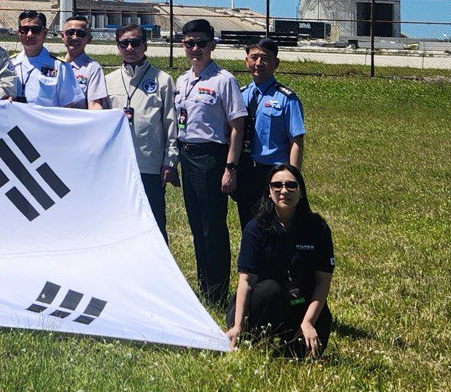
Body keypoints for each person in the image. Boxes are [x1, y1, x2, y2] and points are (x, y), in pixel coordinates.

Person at [227, 164, 334, 358]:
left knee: (314, 339)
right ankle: (253, 338)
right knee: (270, 290)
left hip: (299, 301)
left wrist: (308, 322)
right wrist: (237, 326)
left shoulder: (318, 228)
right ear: (269, 192)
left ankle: (290, 342)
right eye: (277, 185)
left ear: (301, 191)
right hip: (261, 302)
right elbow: (246, 281)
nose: (284, 190)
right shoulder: (255, 229)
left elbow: (322, 282)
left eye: (291, 185)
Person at [175, 18, 247, 304]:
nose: (195, 49)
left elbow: (237, 126)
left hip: (211, 157)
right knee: (196, 226)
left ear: (212, 46)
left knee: (213, 227)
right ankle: (204, 287)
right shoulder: (183, 80)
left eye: (201, 44)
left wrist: (230, 167)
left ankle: (217, 291)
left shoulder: (223, 80)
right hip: (187, 154)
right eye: (189, 43)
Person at [94, 25, 179, 241]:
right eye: (124, 43)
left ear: (145, 45)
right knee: (120, 221)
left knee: (155, 222)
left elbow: (171, 123)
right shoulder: (108, 80)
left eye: (136, 43)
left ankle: (159, 272)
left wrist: (170, 160)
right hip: (119, 166)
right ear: (118, 47)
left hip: (150, 165)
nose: (130, 48)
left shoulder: (163, 80)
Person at [235, 38, 307, 230]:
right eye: (254, 57)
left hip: (273, 172)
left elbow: (296, 140)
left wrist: (292, 177)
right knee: (248, 225)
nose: (259, 63)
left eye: (265, 58)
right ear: (246, 61)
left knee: (276, 225)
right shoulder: (240, 95)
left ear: (276, 63)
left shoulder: (286, 98)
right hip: (245, 170)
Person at [8, 10, 79, 107]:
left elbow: (67, 107)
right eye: (24, 30)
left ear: (45, 32)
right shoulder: (10, 64)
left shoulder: (60, 67)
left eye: (35, 30)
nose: (29, 34)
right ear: (19, 33)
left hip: (47, 121)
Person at [60, 15, 108, 109]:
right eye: (70, 32)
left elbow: (94, 104)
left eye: (80, 34)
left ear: (89, 39)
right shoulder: (54, 65)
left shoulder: (92, 68)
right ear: (63, 36)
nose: (74, 37)